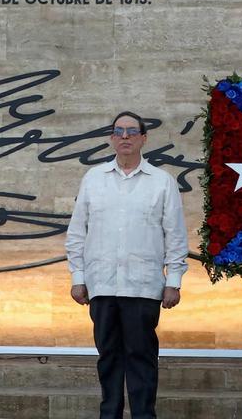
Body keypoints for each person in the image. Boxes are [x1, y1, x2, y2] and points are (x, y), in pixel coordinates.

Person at [65, 111, 189, 419]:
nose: (125, 136)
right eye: (118, 131)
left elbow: (175, 234)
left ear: (144, 138)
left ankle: (144, 415)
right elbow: (77, 233)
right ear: (111, 137)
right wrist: (77, 277)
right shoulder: (93, 179)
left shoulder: (162, 182)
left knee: (141, 357)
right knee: (108, 357)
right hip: (102, 285)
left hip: (144, 287)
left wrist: (173, 280)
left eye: (132, 131)